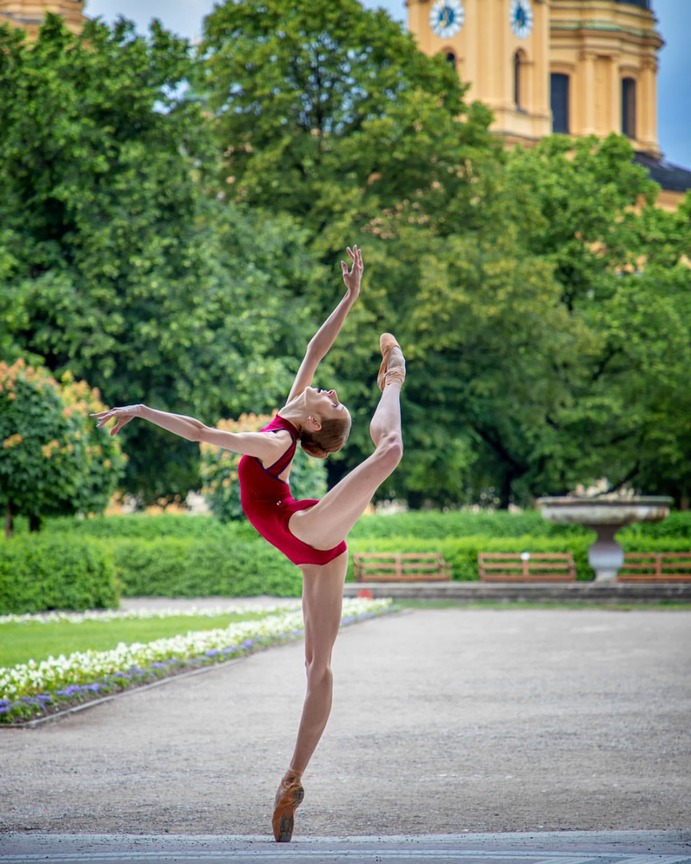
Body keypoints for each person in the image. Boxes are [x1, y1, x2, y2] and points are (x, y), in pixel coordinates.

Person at [91, 244, 405, 842]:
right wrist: (349, 299)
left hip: (307, 533)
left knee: (388, 452)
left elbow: (203, 432)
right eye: (330, 394)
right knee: (318, 667)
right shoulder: (287, 420)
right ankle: (292, 781)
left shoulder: (274, 441)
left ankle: (394, 376)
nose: (328, 391)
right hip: (307, 540)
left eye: (332, 401)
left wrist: (141, 409)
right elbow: (316, 349)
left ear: (315, 422)